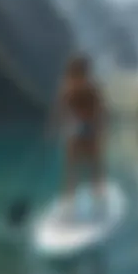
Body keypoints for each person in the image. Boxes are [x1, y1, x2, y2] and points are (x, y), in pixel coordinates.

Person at [47, 54, 106, 216]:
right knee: (72, 166)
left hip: (90, 130)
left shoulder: (92, 89)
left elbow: (100, 111)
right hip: (75, 131)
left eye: (82, 73)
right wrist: (53, 129)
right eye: (76, 73)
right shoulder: (67, 89)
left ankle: (98, 199)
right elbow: (59, 111)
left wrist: (99, 128)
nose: (78, 77)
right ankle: (70, 203)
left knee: (94, 165)